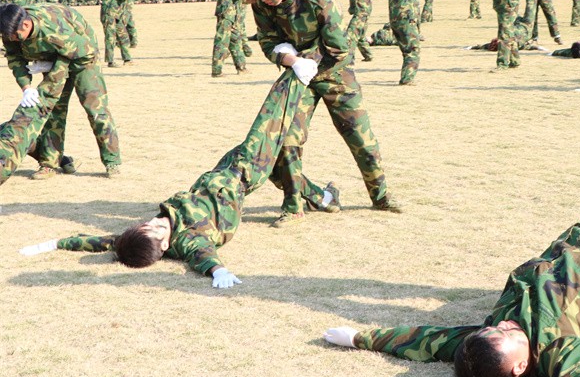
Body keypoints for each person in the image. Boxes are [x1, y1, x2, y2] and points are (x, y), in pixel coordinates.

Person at [323, 68, 580, 377]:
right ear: (520, 366)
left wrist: (359, 337)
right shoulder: (563, 353)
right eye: (507, 333)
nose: (504, 324)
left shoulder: (486, 340)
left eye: (494, 328)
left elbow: (427, 340)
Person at [19, 70, 340, 286]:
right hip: (243, 172)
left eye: (146, 225)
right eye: (156, 229)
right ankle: (296, 72)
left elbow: (96, 242)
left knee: (283, 162)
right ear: (164, 246)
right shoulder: (189, 240)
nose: (154, 222)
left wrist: (52, 244)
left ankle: (324, 198)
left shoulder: (135, 241)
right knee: (271, 121)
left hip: (220, 171)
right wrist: (219, 272)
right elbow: (204, 256)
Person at [240, 0, 400, 224]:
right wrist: (290, 60)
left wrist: (307, 60)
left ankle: (381, 196)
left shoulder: (317, 0)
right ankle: (293, 207)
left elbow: (339, 48)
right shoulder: (262, 3)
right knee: (287, 140)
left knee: (360, 136)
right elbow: (268, 43)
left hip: (335, 72)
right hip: (300, 77)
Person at [1, 3, 121, 178]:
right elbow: (14, 57)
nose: (12, 40)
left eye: (15, 36)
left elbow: (79, 51)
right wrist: (26, 87)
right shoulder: (9, 27)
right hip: (55, 55)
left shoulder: (53, 28)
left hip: (83, 56)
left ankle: (112, 161)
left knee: (95, 109)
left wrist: (52, 69)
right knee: (54, 111)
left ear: (26, 25)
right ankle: (49, 163)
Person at [203, 0, 247, 77]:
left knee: (235, 41)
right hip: (228, 14)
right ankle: (217, 71)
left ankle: (241, 67)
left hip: (228, 14)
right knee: (222, 42)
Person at [386, 0, 424, 86]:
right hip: (407, 17)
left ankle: (406, 76)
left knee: (406, 50)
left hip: (395, 18)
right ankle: (407, 78)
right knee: (413, 49)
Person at [101, 0, 139, 67]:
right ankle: (110, 61)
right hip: (109, 13)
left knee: (123, 36)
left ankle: (127, 60)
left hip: (117, 15)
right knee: (110, 37)